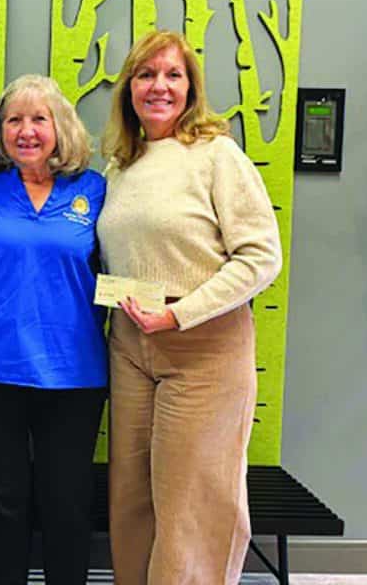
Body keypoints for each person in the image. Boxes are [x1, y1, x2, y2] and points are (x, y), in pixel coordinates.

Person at [97, 30, 283, 585]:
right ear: (129, 87)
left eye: (172, 75)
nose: (159, 87)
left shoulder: (216, 155)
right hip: (131, 343)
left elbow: (260, 258)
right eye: (146, 75)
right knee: (131, 498)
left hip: (202, 345)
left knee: (192, 504)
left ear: (191, 88)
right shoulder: (121, 165)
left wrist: (180, 315)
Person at [0, 75, 108, 585]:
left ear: (60, 127)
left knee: (65, 503)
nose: (26, 130)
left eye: (38, 119)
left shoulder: (93, 189)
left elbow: (125, 264)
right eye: (14, 120)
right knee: (2, 503)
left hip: (75, 373)